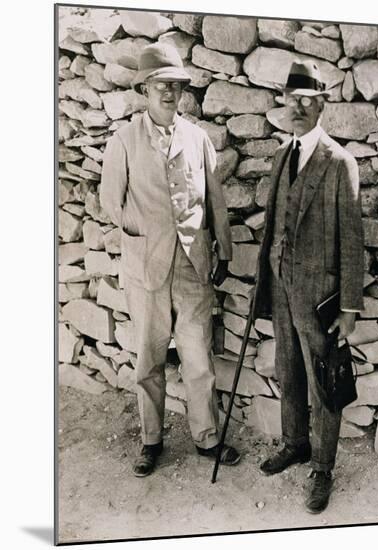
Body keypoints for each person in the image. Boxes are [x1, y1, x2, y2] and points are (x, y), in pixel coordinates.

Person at [100, 43, 240, 477]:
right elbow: (110, 202)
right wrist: (141, 231)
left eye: (176, 87)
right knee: (150, 360)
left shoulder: (197, 138)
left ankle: (207, 439)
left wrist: (224, 246)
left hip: (194, 266)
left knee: (199, 360)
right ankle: (152, 441)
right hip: (147, 270)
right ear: (145, 88)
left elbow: (214, 197)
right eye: (161, 85)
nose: (169, 93)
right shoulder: (123, 141)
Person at [253, 60, 364, 513]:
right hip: (281, 287)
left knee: (323, 381)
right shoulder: (283, 154)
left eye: (306, 101)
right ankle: (295, 443)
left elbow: (353, 242)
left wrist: (350, 308)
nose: (296, 107)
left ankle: (322, 467)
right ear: (283, 102)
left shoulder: (339, 162)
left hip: (319, 295)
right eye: (291, 99)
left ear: (321, 105)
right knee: (287, 370)